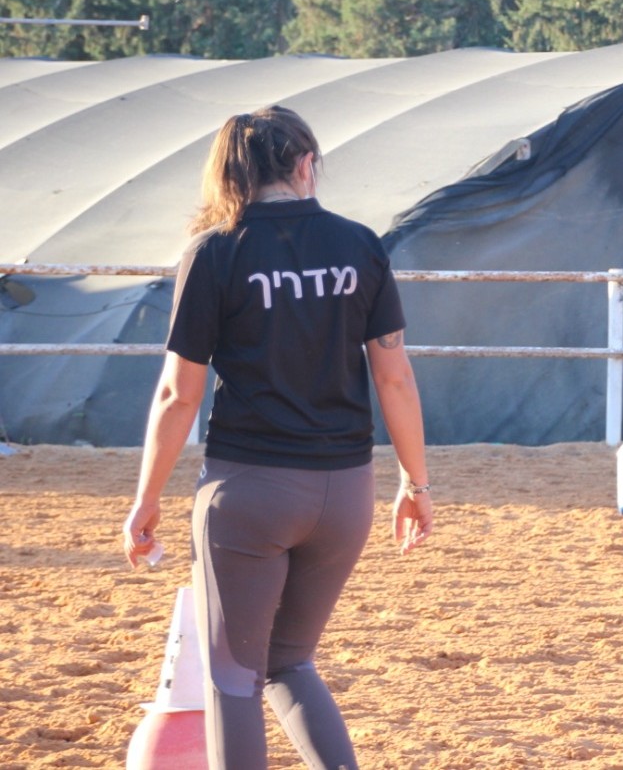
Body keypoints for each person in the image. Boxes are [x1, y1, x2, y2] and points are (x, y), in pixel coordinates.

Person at [120, 105, 433, 770]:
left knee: (233, 675)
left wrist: (146, 497)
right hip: (346, 494)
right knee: (290, 660)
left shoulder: (214, 252)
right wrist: (416, 481)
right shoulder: (360, 244)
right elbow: (395, 377)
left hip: (250, 491)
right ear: (303, 163)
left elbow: (180, 393)